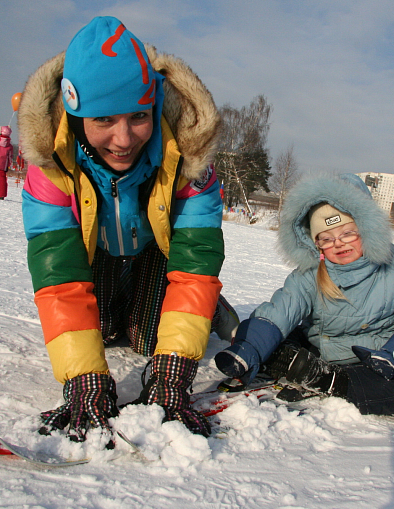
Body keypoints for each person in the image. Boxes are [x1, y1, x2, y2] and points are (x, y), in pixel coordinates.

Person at [18, 16, 239, 445]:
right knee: (96, 333)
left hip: (157, 255)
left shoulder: (189, 159)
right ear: (75, 113)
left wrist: (173, 372)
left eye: (139, 115)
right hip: (93, 258)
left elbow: (194, 265)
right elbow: (60, 279)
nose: (124, 139)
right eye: (104, 120)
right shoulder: (50, 165)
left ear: (154, 105)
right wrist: (83, 378)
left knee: (147, 341)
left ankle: (209, 307)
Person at [215, 173, 394, 416]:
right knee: (281, 336)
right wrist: (248, 346)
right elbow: (282, 309)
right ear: (316, 244)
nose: (338, 243)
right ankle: (294, 364)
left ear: (367, 229)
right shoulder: (312, 272)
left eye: (347, 233)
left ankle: (327, 380)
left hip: (375, 363)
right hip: (318, 350)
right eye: (326, 238)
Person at [0, 126, 13, 200]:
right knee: (2, 180)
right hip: (3, 165)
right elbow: (10, 157)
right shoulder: (9, 146)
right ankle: (1, 195)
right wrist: (8, 165)